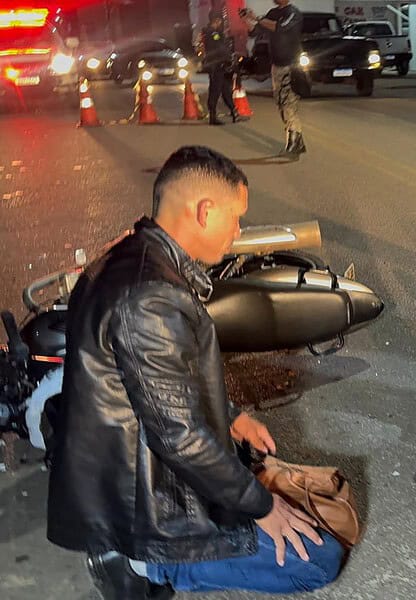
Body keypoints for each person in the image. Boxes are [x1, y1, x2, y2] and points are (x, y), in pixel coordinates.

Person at [46, 146, 345, 599]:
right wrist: (262, 508)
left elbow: (165, 382)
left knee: (265, 478)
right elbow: (178, 437)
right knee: (319, 560)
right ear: (205, 211)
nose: (238, 230)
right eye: (235, 217)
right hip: (143, 503)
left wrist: (232, 416)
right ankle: (145, 565)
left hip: (134, 459)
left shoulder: (136, 255)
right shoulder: (151, 298)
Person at [241, 0, 305, 155]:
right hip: (276, 65)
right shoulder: (273, 13)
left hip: (291, 64)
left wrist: (256, 17)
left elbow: (280, 28)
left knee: (288, 100)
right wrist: (246, 20)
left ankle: (294, 141)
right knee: (280, 101)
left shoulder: (293, 13)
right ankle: (297, 139)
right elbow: (255, 31)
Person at [198, 10, 245, 126]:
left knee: (225, 90)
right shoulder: (212, 33)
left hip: (221, 65)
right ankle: (213, 117)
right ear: (216, 20)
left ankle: (235, 114)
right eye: (221, 19)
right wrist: (228, 56)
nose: (222, 22)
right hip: (216, 66)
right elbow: (219, 48)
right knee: (215, 90)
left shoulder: (212, 33)